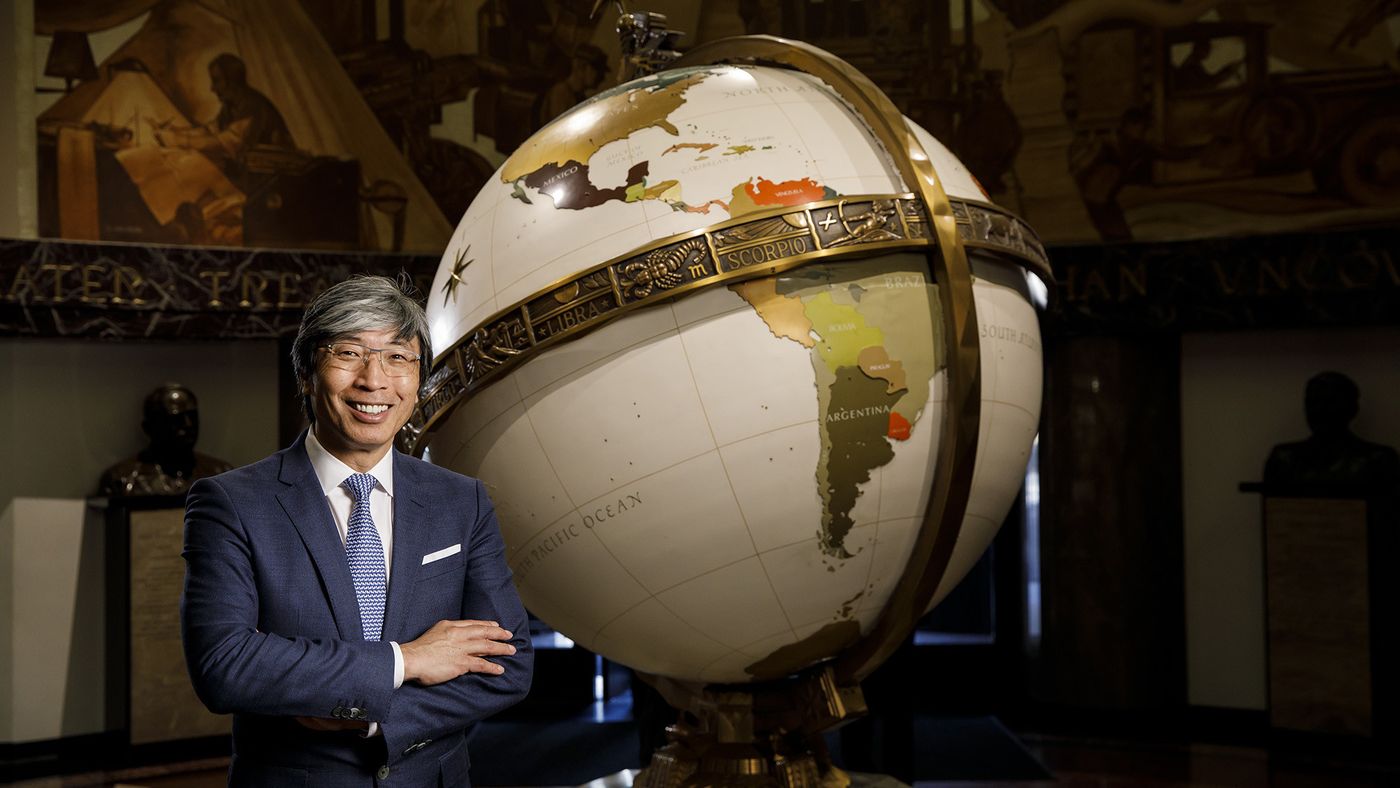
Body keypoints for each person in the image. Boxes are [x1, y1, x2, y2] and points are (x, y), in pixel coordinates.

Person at [181, 276, 533, 786]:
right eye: (349, 353)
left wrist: (368, 717)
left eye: (398, 357)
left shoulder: (461, 501)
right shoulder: (232, 504)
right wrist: (405, 660)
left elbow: (509, 664)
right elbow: (225, 664)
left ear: (418, 380)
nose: (374, 380)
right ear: (306, 373)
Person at [99, 383, 232, 497]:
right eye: (176, 419)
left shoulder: (222, 475)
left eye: (192, 417)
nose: (188, 425)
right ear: (149, 428)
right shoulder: (121, 480)